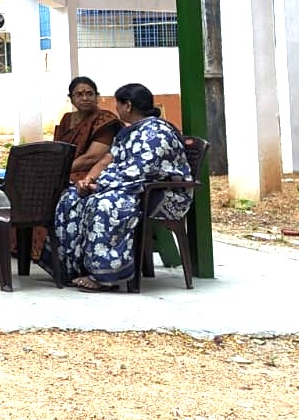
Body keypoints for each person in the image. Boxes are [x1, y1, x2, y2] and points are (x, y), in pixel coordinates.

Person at [46, 83, 192, 293]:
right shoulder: (129, 132)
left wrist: (100, 186)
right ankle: (74, 268)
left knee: (105, 204)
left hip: (162, 195)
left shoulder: (156, 133)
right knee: (71, 198)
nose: (117, 108)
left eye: (118, 104)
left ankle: (106, 276)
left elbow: (143, 171)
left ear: (128, 106)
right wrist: (89, 180)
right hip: (131, 188)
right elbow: (108, 158)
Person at [35, 76, 124, 262]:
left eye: (90, 93)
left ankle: (57, 254)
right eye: (79, 94)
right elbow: (58, 149)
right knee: (33, 190)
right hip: (64, 170)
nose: (85, 98)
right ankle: (29, 247)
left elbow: (92, 157)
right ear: (71, 98)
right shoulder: (67, 120)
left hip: (89, 174)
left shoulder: (105, 120)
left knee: (57, 192)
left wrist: (57, 172)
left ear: (97, 96)